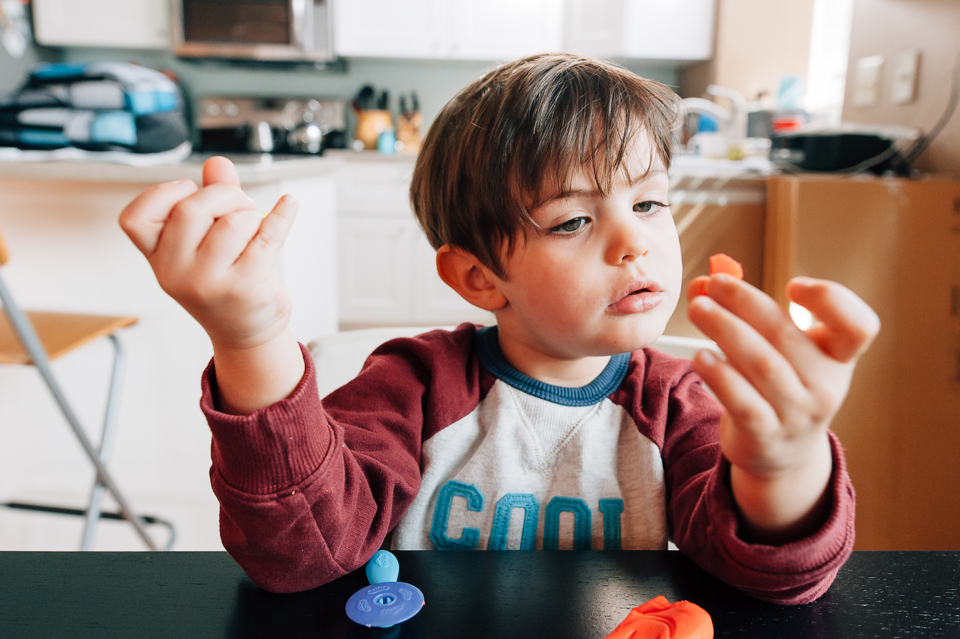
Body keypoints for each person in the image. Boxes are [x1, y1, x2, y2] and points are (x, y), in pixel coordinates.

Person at [119, 54, 879, 605]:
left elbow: (773, 576)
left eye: (649, 204)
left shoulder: (678, 400)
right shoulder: (415, 385)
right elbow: (302, 556)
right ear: (478, 277)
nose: (635, 243)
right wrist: (250, 337)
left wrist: (784, 463)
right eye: (576, 219)